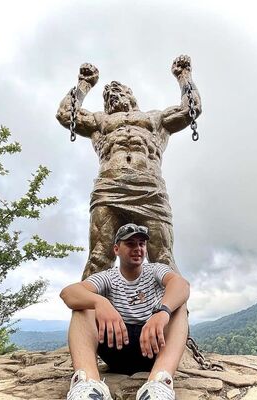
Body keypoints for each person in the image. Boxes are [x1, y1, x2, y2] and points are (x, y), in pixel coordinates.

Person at [56, 55, 201, 279]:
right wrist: (84, 84)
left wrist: (184, 76)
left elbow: (191, 109)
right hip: (109, 188)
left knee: (163, 259)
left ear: (130, 95)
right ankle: (90, 302)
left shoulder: (155, 118)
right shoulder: (99, 121)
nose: (112, 94)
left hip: (148, 188)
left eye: (117, 91)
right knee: (99, 258)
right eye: (107, 95)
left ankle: (173, 303)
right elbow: (66, 114)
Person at [60, 223, 190, 400]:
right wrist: (100, 302)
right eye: (130, 244)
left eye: (141, 244)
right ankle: (88, 385)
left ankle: (159, 383)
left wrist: (162, 311)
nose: (138, 248)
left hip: (154, 348)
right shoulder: (108, 277)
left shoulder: (156, 270)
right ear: (116, 249)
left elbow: (181, 285)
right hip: (116, 348)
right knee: (82, 306)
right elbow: (68, 293)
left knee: (179, 306)